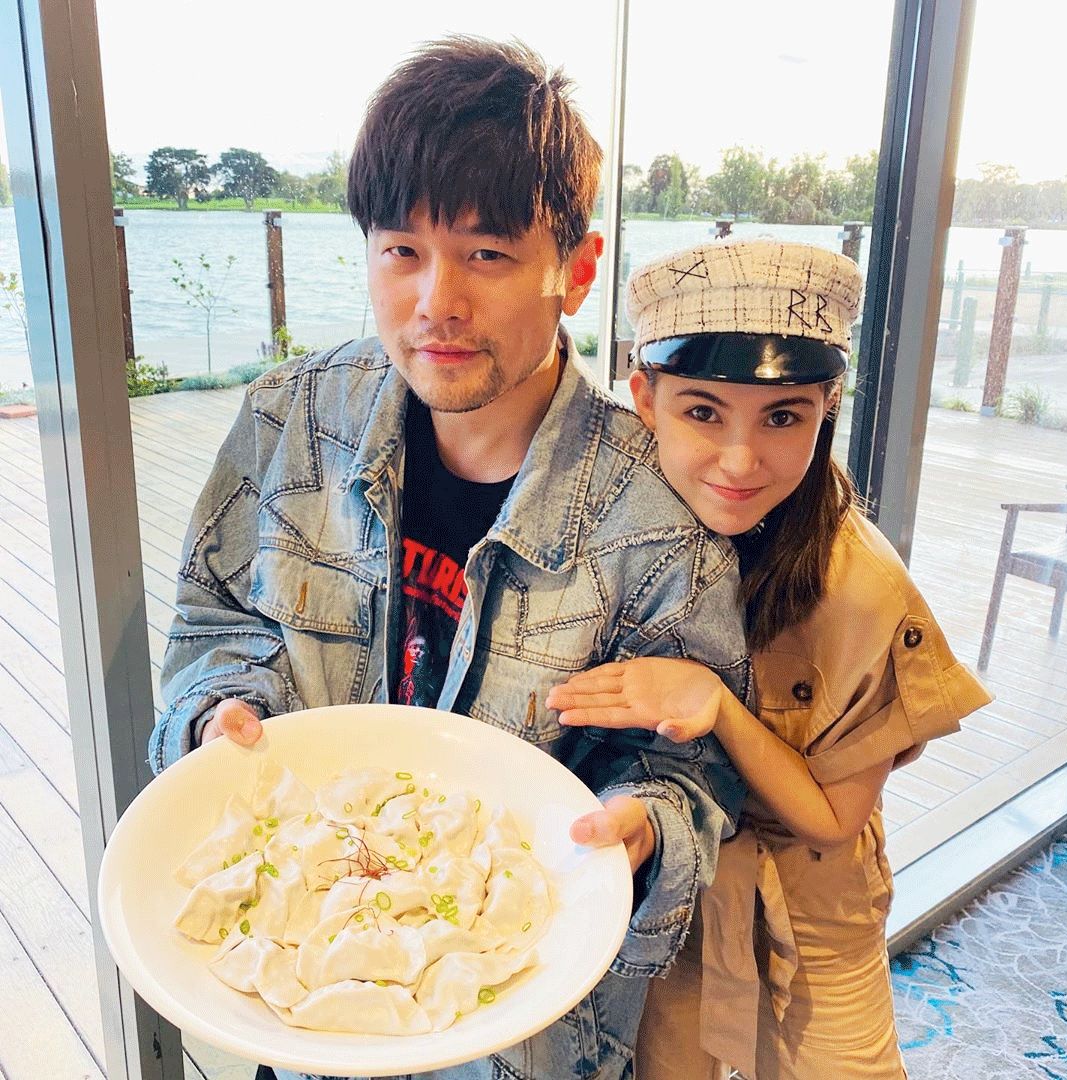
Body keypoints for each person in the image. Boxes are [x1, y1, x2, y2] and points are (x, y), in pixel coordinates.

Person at [149, 37, 749, 1080]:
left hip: (528, 1023)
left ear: (577, 270)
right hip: (308, 992)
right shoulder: (293, 418)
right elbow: (218, 618)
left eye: (487, 255)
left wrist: (647, 824)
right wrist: (221, 709)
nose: (436, 302)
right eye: (401, 251)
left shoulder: (656, 512)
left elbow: (690, 770)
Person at [547, 239, 992, 1079]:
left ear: (828, 407)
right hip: (671, 892)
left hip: (812, 912)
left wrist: (714, 703)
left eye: (783, 417)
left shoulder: (861, 588)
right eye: (703, 412)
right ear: (645, 399)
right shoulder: (615, 536)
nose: (740, 460)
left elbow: (832, 818)